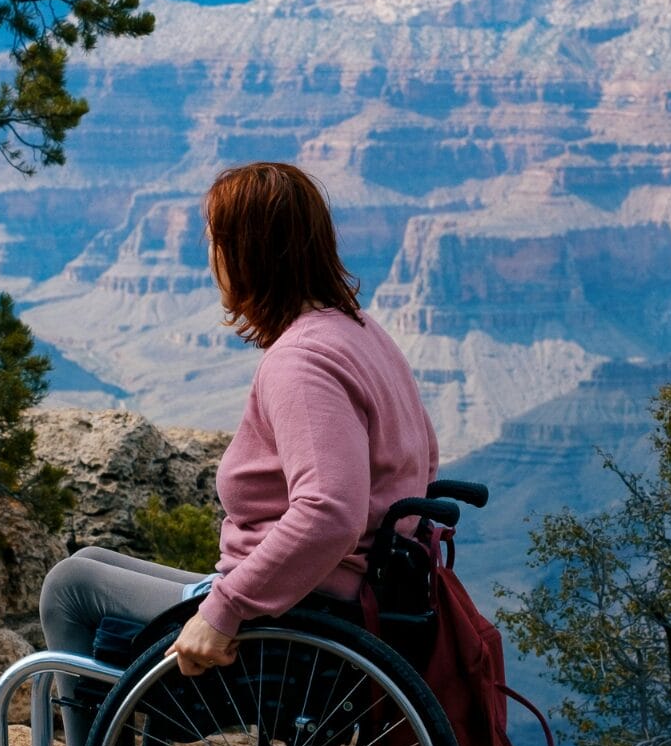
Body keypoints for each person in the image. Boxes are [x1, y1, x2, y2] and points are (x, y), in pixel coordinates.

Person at [38, 161, 440, 674]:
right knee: (89, 561)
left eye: (215, 243)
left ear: (248, 254)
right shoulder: (362, 330)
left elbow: (329, 512)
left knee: (69, 588)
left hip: (294, 620)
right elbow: (424, 458)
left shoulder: (301, 361)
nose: (210, 259)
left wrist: (223, 610)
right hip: (341, 598)